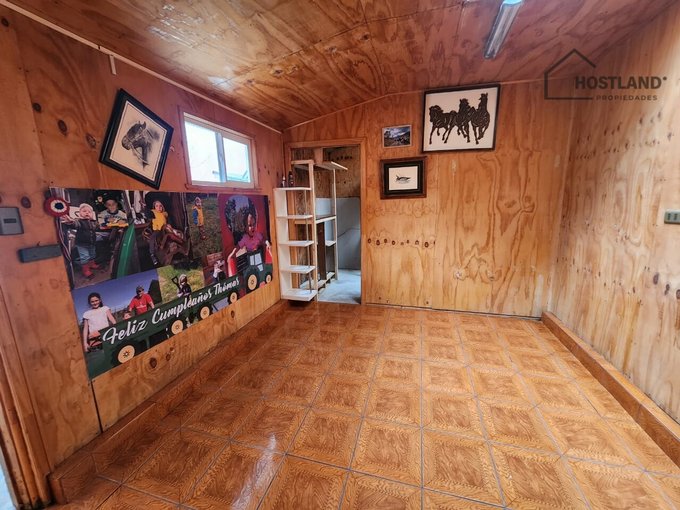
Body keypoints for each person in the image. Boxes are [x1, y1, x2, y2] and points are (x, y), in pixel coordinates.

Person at [71, 203, 101, 279]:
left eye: (89, 212)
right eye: (84, 211)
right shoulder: (79, 221)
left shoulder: (93, 221)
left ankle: (91, 264)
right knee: (85, 257)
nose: (87, 213)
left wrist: (99, 224)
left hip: (91, 243)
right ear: (80, 213)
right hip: (82, 244)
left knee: (92, 254)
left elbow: (97, 227)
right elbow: (75, 224)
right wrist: (71, 222)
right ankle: (85, 270)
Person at [149, 200, 168, 266]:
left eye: (160, 206)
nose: (159, 208)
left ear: (162, 207)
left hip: (165, 228)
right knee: (152, 238)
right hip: (157, 229)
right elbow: (148, 213)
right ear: (154, 207)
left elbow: (166, 216)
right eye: (157, 206)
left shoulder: (164, 213)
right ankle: (152, 254)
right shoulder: (153, 212)